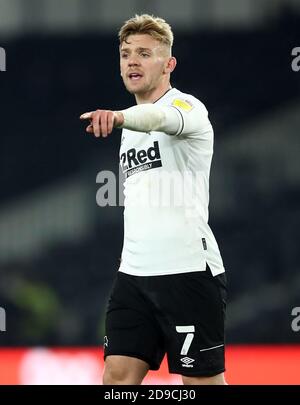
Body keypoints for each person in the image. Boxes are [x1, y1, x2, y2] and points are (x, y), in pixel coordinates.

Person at [80, 14, 227, 385]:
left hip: (188, 273)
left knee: (200, 386)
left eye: (144, 53)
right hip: (134, 276)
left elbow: (157, 118)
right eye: (126, 53)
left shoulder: (188, 109)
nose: (132, 61)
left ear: (169, 64)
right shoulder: (129, 128)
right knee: (116, 379)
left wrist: (117, 116)